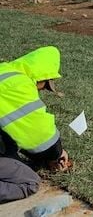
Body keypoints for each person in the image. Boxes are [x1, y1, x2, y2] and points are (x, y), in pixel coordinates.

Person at [0, 46, 70, 204]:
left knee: (10, 150)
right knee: (28, 182)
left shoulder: (5, 71)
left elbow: (14, 132)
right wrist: (57, 154)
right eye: (45, 85)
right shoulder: (19, 86)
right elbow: (41, 138)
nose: (43, 90)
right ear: (41, 78)